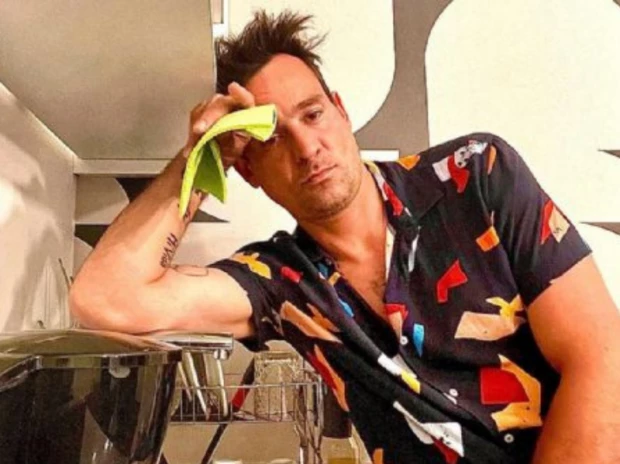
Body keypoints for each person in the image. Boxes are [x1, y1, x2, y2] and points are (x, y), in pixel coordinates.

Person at [69, 10, 620, 464]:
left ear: (341, 111)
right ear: (248, 170)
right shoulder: (283, 282)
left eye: (313, 115)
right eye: (273, 138)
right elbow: (104, 300)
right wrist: (199, 160)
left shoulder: (475, 175)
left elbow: (602, 355)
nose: (307, 148)